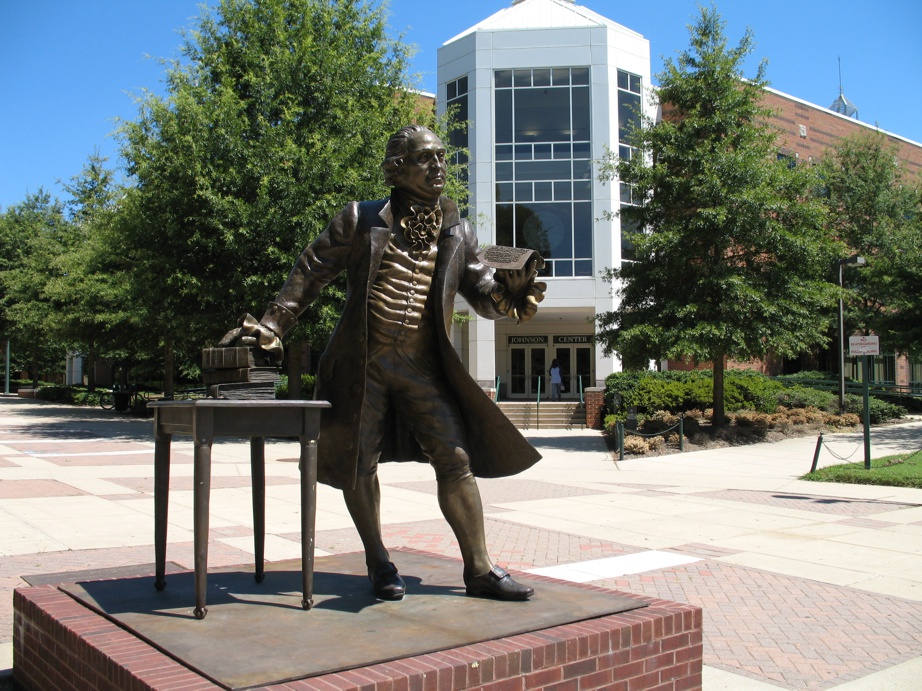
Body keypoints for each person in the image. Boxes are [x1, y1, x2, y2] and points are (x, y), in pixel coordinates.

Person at [223, 125, 547, 601]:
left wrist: (508, 294)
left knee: (456, 459)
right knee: (359, 463)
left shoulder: (458, 229)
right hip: (363, 364)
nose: (437, 166)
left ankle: (479, 568)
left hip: (423, 364)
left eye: (441, 157)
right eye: (424, 158)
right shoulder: (361, 218)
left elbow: (481, 289)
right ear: (396, 168)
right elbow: (312, 269)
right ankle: (378, 560)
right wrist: (274, 324)